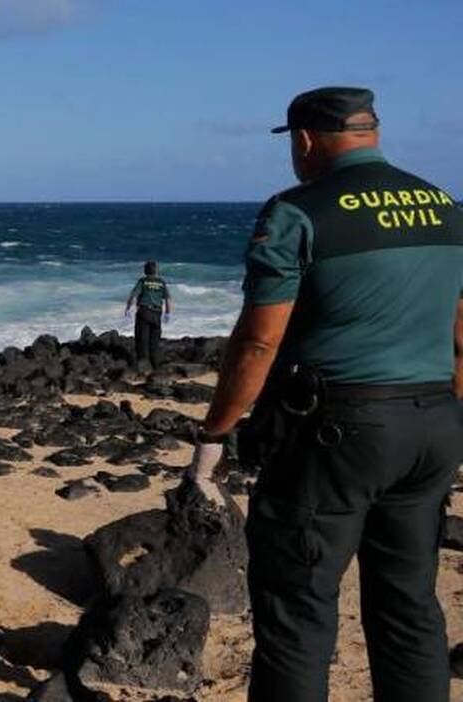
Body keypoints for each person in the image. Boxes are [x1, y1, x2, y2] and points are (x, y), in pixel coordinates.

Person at [187, 87, 463, 702]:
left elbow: (259, 343)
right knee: (410, 605)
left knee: (297, 615)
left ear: (306, 140)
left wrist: (214, 436)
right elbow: (462, 335)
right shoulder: (445, 206)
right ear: (373, 132)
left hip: (337, 434)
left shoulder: (297, 211)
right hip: (434, 425)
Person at [124, 260, 171, 370]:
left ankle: (143, 367)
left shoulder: (143, 281)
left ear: (145, 271)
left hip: (144, 312)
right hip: (157, 313)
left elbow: (133, 295)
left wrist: (128, 308)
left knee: (142, 340)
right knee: (154, 341)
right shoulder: (161, 282)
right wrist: (167, 313)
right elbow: (168, 299)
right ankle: (155, 366)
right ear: (156, 271)